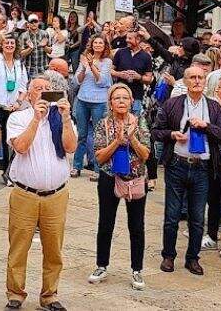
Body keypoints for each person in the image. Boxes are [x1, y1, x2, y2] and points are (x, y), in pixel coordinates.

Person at [4, 71, 76, 310]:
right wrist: (36, 119)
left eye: (47, 89)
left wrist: (66, 118)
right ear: (28, 94)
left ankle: (50, 295)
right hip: (25, 193)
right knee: (19, 247)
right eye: (38, 89)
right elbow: (21, 147)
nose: (43, 93)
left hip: (56, 194)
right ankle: (15, 293)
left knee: (54, 249)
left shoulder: (61, 118)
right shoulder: (18, 118)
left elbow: (71, 147)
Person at [152, 66, 221, 275]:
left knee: (197, 217)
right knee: (172, 215)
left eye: (200, 77)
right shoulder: (173, 104)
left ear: (205, 81)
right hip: (177, 164)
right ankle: (168, 256)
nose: (196, 81)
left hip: (202, 167)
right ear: (185, 82)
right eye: (192, 77)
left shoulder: (213, 107)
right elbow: (156, 131)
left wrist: (206, 126)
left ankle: (193, 258)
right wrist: (172, 134)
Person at [88, 83, 150, 291]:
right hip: (110, 177)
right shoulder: (103, 124)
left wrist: (132, 139)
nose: (121, 101)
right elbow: (99, 157)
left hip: (135, 178)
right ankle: (101, 265)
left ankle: (137, 269)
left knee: (137, 225)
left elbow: (146, 154)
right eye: (117, 98)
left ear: (131, 101)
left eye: (125, 98)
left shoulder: (140, 122)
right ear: (111, 103)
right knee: (106, 223)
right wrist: (116, 141)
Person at [0, 34, 28, 181]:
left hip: (12, 108)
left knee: (9, 141)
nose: (9, 45)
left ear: (16, 46)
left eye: (12, 43)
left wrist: (18, 103)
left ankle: (7, 172)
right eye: (7, 43)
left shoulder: (19, 64)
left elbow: (23, 88)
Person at [72, 35, 113, 179]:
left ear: (105, 46)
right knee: (82, 135)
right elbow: (76, 81)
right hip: (83, 100)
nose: (97, 45)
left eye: (101, 43)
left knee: (98, 136)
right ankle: (76, 166)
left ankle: (98, 169)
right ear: (91, 44)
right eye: (95, 42)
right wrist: (84, 68)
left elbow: (102, 81)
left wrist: (91, 66)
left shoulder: (107, 62)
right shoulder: (84, 58)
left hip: (99, 102)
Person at [111, 30, 153, 114]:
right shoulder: (120, 52)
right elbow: (110, 70)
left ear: (138, 39)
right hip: (120, 94)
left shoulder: (146, 57)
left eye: (130, 38)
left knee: (133, 120)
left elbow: (149, 79)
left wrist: (139, 77)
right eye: (127, 38)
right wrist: (119, 74)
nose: (127, 40)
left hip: (136, 96)